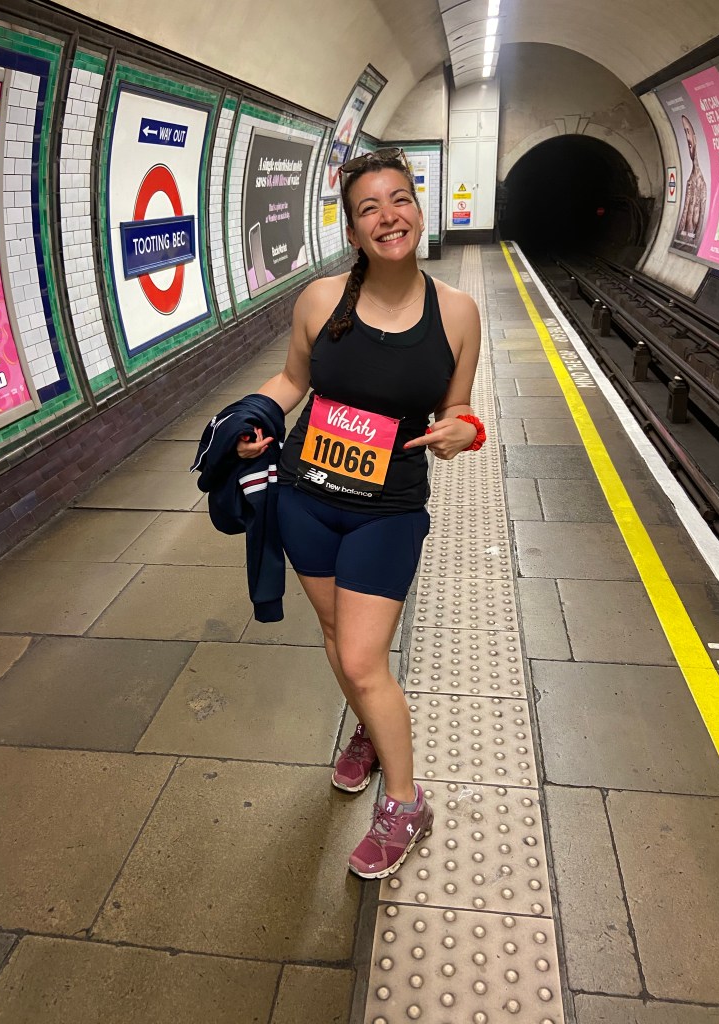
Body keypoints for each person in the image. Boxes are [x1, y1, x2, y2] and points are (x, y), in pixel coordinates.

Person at [237, 148, 483, 879]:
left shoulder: (458, 313)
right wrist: (252, 416)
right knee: (338, 635)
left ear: (419, 208)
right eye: (369, 208)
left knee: (359, 658)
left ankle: (405, 805)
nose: (388, 216)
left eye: (399, 200)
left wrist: (463, 432)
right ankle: (372, 733)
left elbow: (460, 408)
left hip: (389, 511)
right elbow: (291, 381)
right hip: (305, 499)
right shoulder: (319, 302)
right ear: (352, 230)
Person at [674, 114, 707, 253]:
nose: (687, 138)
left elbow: (702, 216)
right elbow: (684, 213)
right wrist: (677, 237)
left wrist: (695, 241)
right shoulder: (690, 180)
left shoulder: (702, 182)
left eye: (688, 131)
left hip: (692, 240)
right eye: (684, 132)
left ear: (695, 138)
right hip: (683, 239)